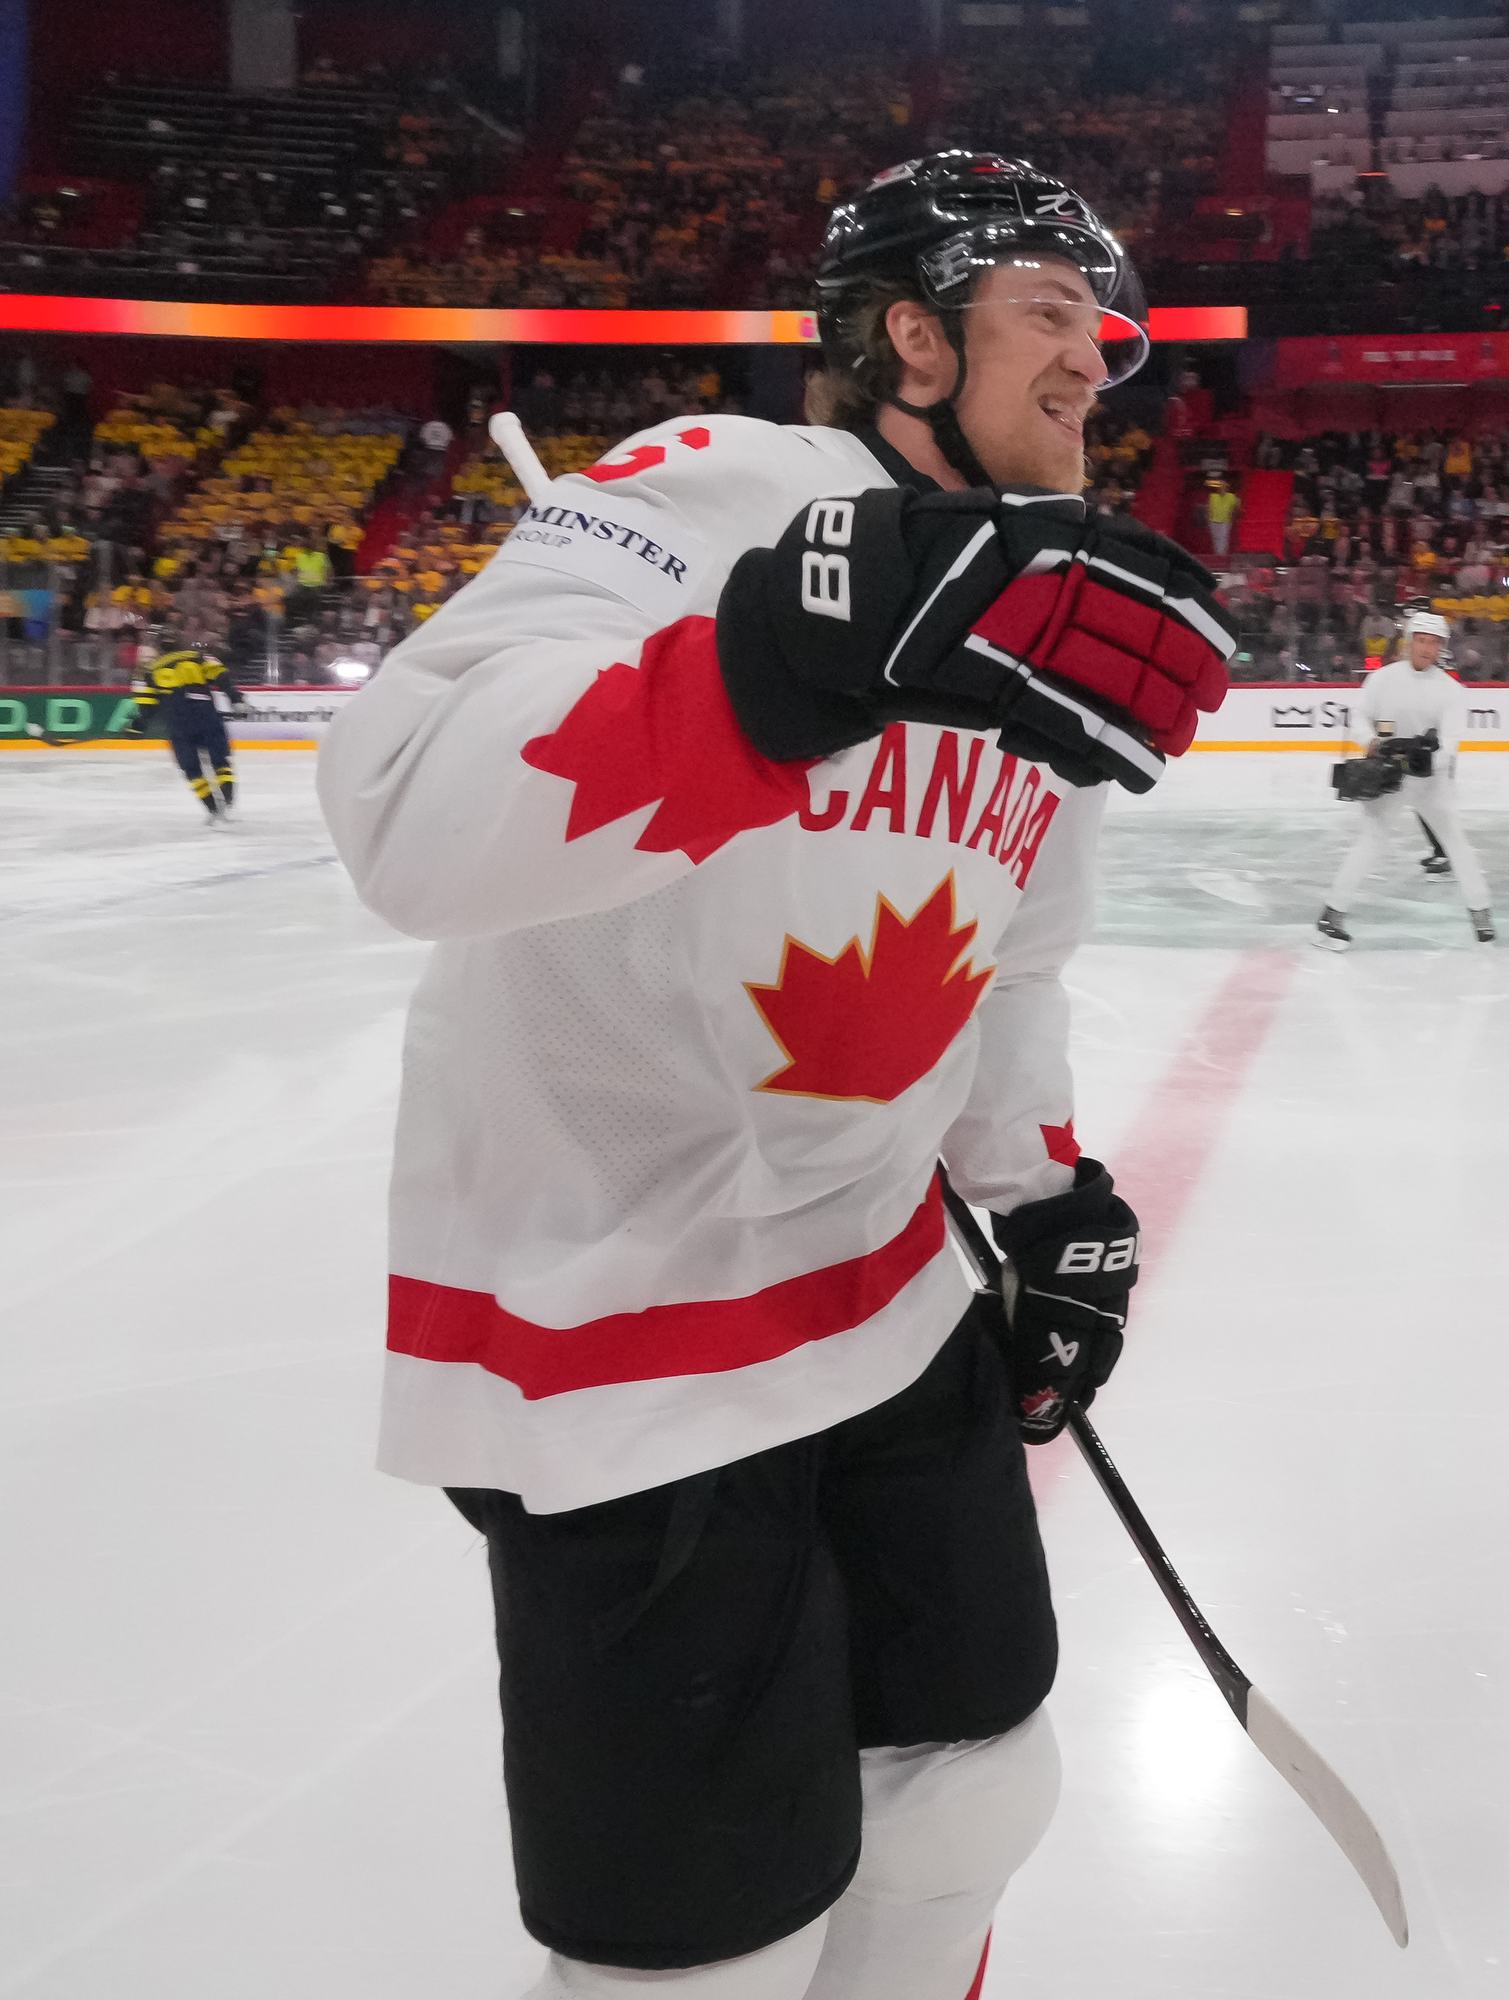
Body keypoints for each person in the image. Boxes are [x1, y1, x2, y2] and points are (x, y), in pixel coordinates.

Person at [318, 152, 1236, 2000]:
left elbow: (1008, 958)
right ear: (914, 336)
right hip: (616, 1337)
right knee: (706, 1949)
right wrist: (775, 649)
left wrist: (1042, 1201)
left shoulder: (1032, 602)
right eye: (1051, 314)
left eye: (1107, 330)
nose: (1098, 361)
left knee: (971, 1795)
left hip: (888, 1297)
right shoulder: (712, 485)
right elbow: (407, 809)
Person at [1315, 610, 1493, 950]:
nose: (1426, 648)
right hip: (1387, 778)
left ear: (1442, 647)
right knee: (1371, 842)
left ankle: (1481, 912)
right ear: (1409, 642)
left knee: (1456, 843)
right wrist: (1373, 743)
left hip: (1431, 783)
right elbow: (1358, 717)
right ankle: (1331, 915)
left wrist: (1428, 761)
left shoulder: (1451, 691)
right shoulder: (1382, 679)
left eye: (1433, 643)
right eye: (1421, 641)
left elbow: (1451, 743)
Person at [125, 631, 245, 821]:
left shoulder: (150, 671)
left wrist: (136, 728)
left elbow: (147, 707)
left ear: (159, 648)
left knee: (192, 769)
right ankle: (228, 800)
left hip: (179, 724)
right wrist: (236, 698)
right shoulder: (197, 657)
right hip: (207, 716)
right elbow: (221, 675)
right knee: (221, 761)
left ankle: (213, 810)